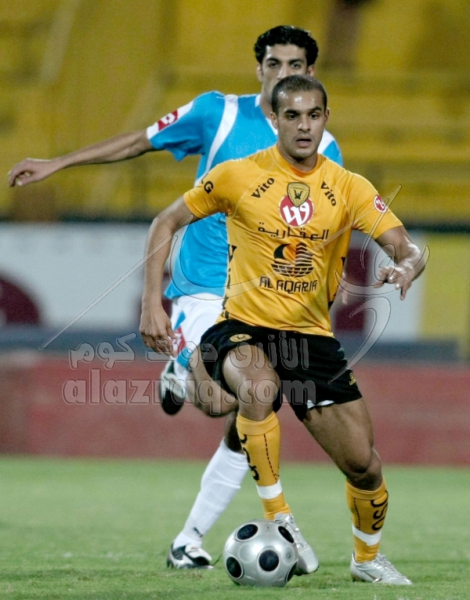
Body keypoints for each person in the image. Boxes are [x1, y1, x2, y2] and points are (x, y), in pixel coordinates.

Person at [9, 26, 343, 569]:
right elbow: (139, 141)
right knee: (234, 400)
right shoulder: (219, 114)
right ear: (258, 68)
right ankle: (189, 384)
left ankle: (188, 540)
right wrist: (59, 163)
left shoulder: (324, 148)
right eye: (274, 64)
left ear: (310, 73)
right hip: (204, 288)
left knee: (254, 407)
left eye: (295, 66)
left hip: (264, 299)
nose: (283, 74)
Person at [140, 75, 426, 584]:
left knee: (365, 466)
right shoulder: (238, 175)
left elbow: (407, 247)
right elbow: (165, 221)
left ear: (326, 119)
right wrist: (150, 305)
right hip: (242, 326)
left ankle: (367, 560)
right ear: (274, 120)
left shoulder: (349, 187)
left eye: (313, 115)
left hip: (310, 340)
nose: (304, 126)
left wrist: (405, 267)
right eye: (292, 115)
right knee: (259, 389)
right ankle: (282, 519)